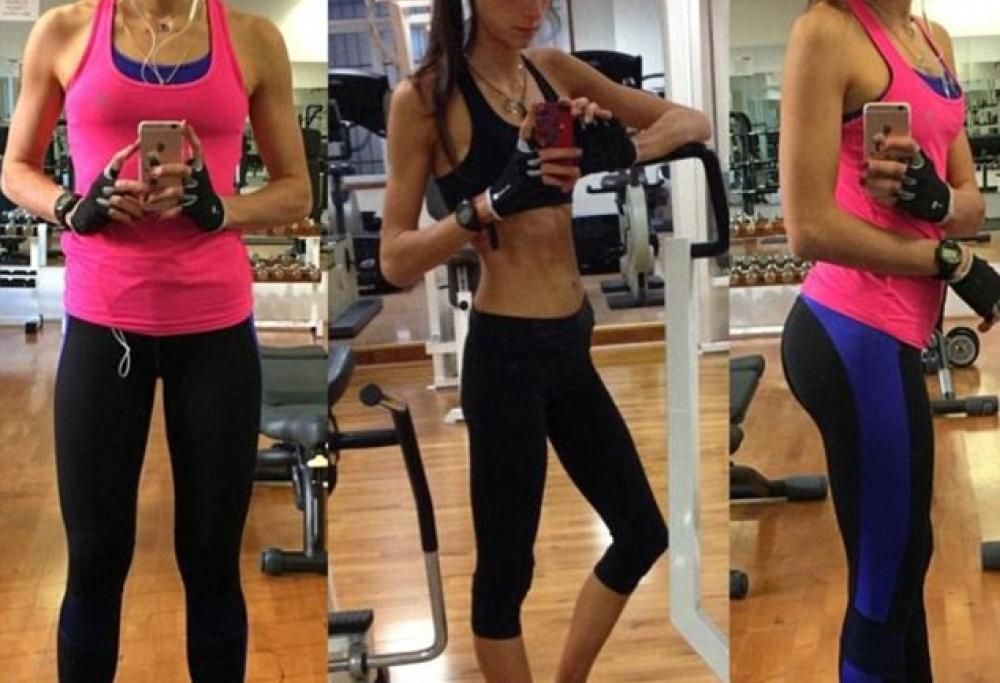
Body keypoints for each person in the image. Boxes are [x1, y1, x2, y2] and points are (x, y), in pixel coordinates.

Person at [378, 1, 711, 681]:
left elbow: (691, 121)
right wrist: (492, 202)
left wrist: (623, 150)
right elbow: (395, 258)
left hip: (571, 341)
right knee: (506, 573)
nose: (533, 10)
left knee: (642, 533)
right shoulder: (424, 99)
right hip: (506, 354)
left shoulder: (553, 71)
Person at [0, 0, 311, 681]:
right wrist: (73, 207)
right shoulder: (66, 30)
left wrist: (220, 209)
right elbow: (15, 168)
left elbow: (296, 192)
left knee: (211, 559)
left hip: (215, 328)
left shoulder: (253, 39)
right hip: (104, 322)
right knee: (95, 558)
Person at [779, 0, 999, 680]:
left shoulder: (934, 40)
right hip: (853, 331)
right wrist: (949, 260)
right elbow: (808, 228)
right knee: (884, 584)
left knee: (905, 559)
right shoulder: (827, 31)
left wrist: (933, 200)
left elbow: (970, 203)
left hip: (896, 331)